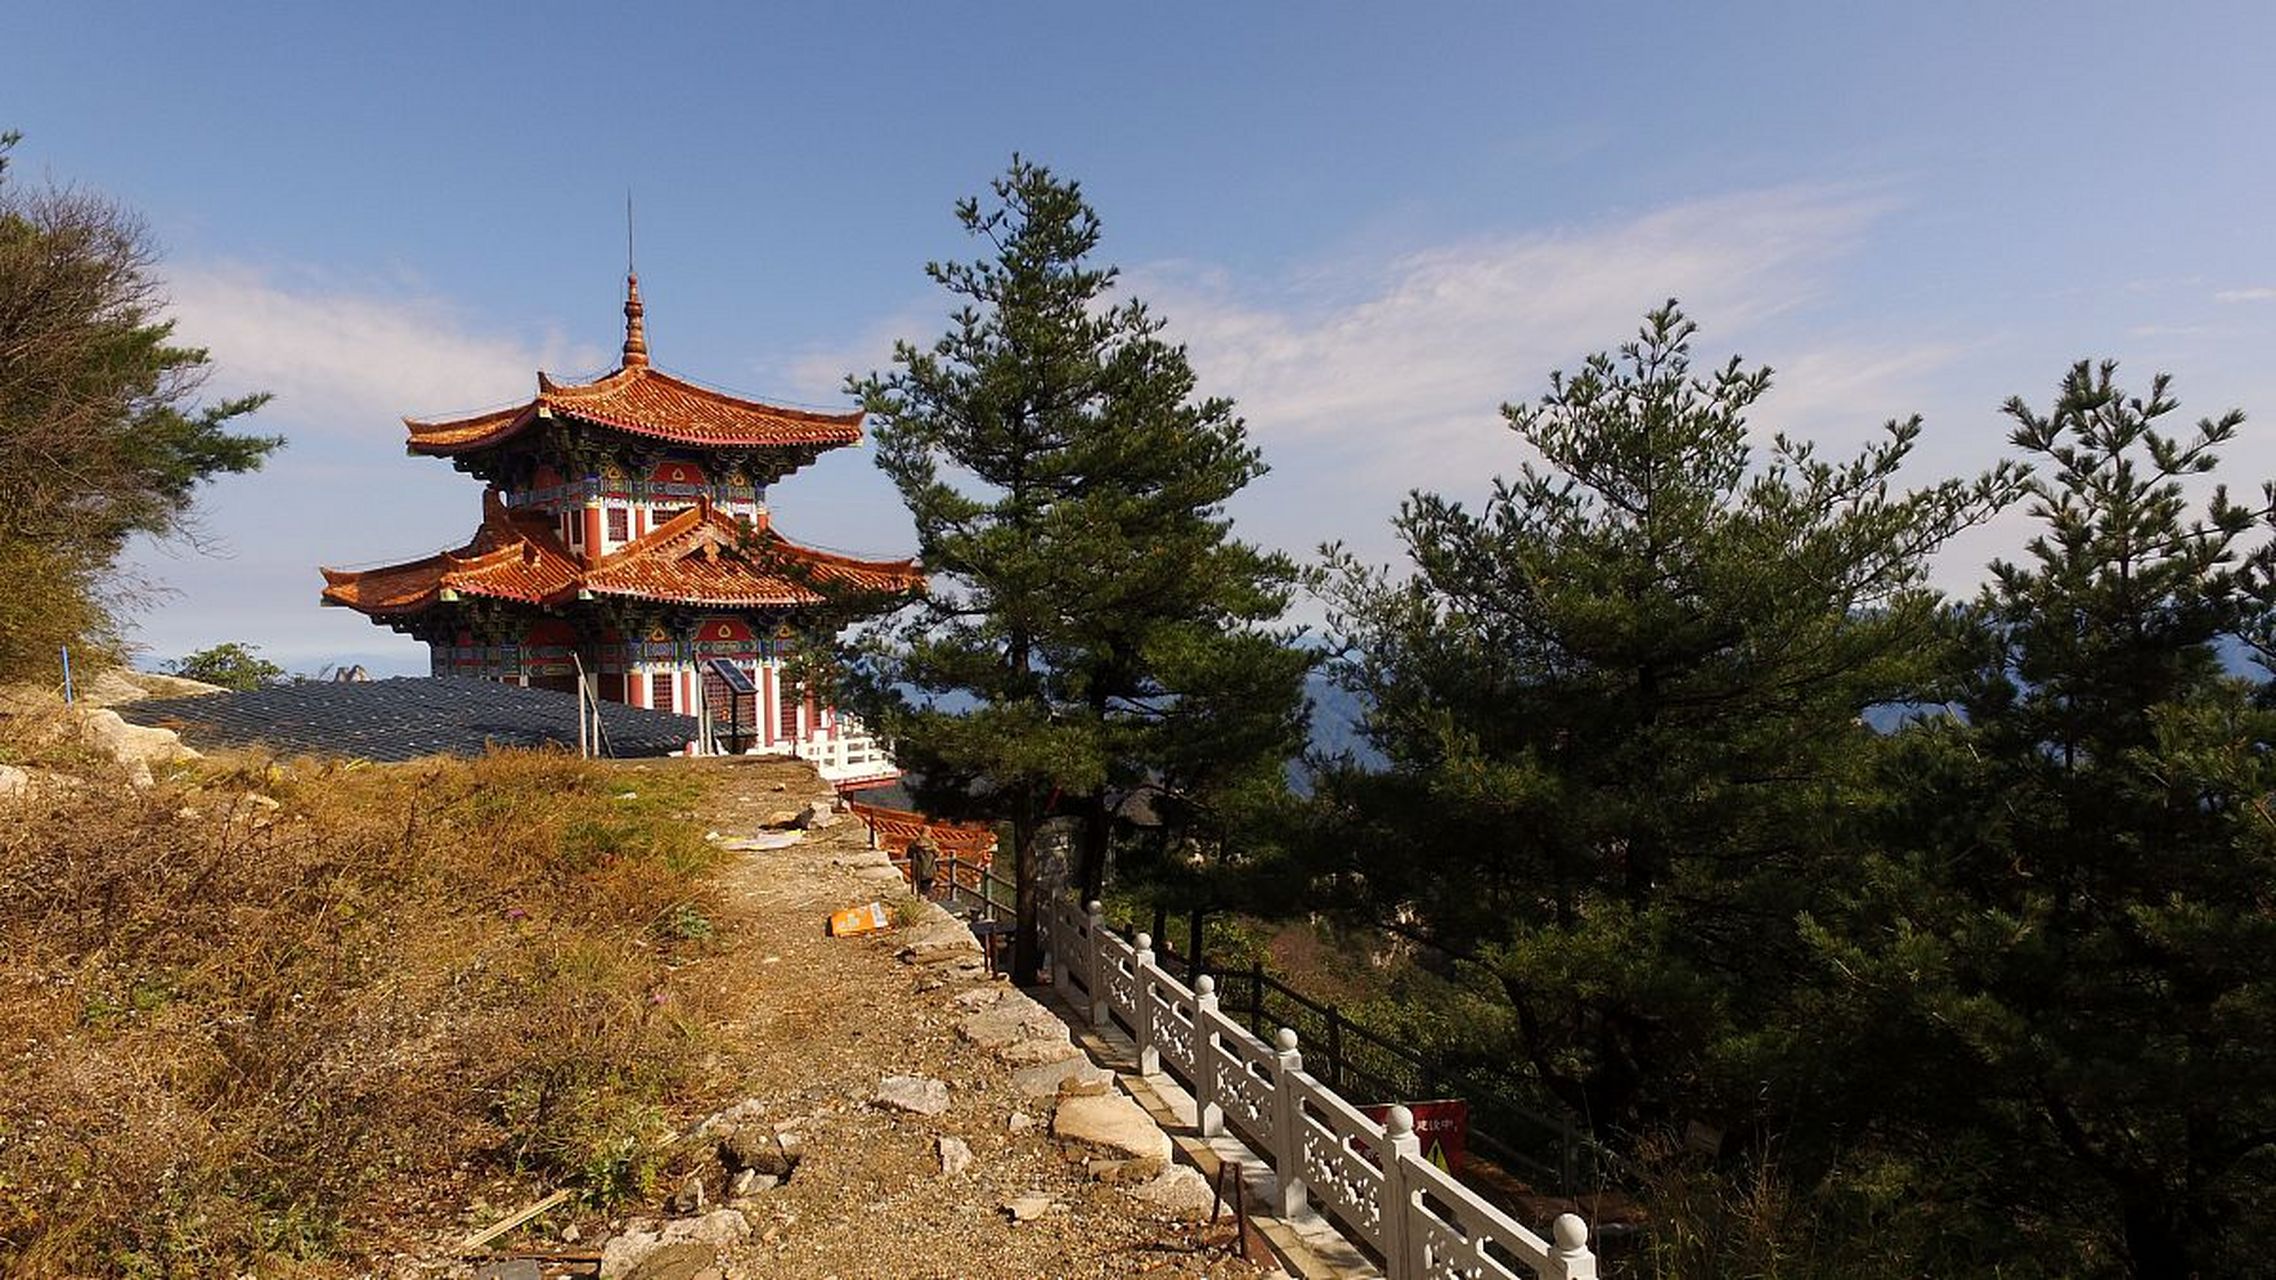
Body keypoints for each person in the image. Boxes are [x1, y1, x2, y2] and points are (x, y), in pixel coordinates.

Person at [908, 832, 939, 900]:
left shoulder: (913, 845)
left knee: (919, 890)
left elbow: (908, 855)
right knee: (926, 890)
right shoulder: (933, 846)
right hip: (930, 871)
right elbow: (937, 854)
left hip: (918, 870)